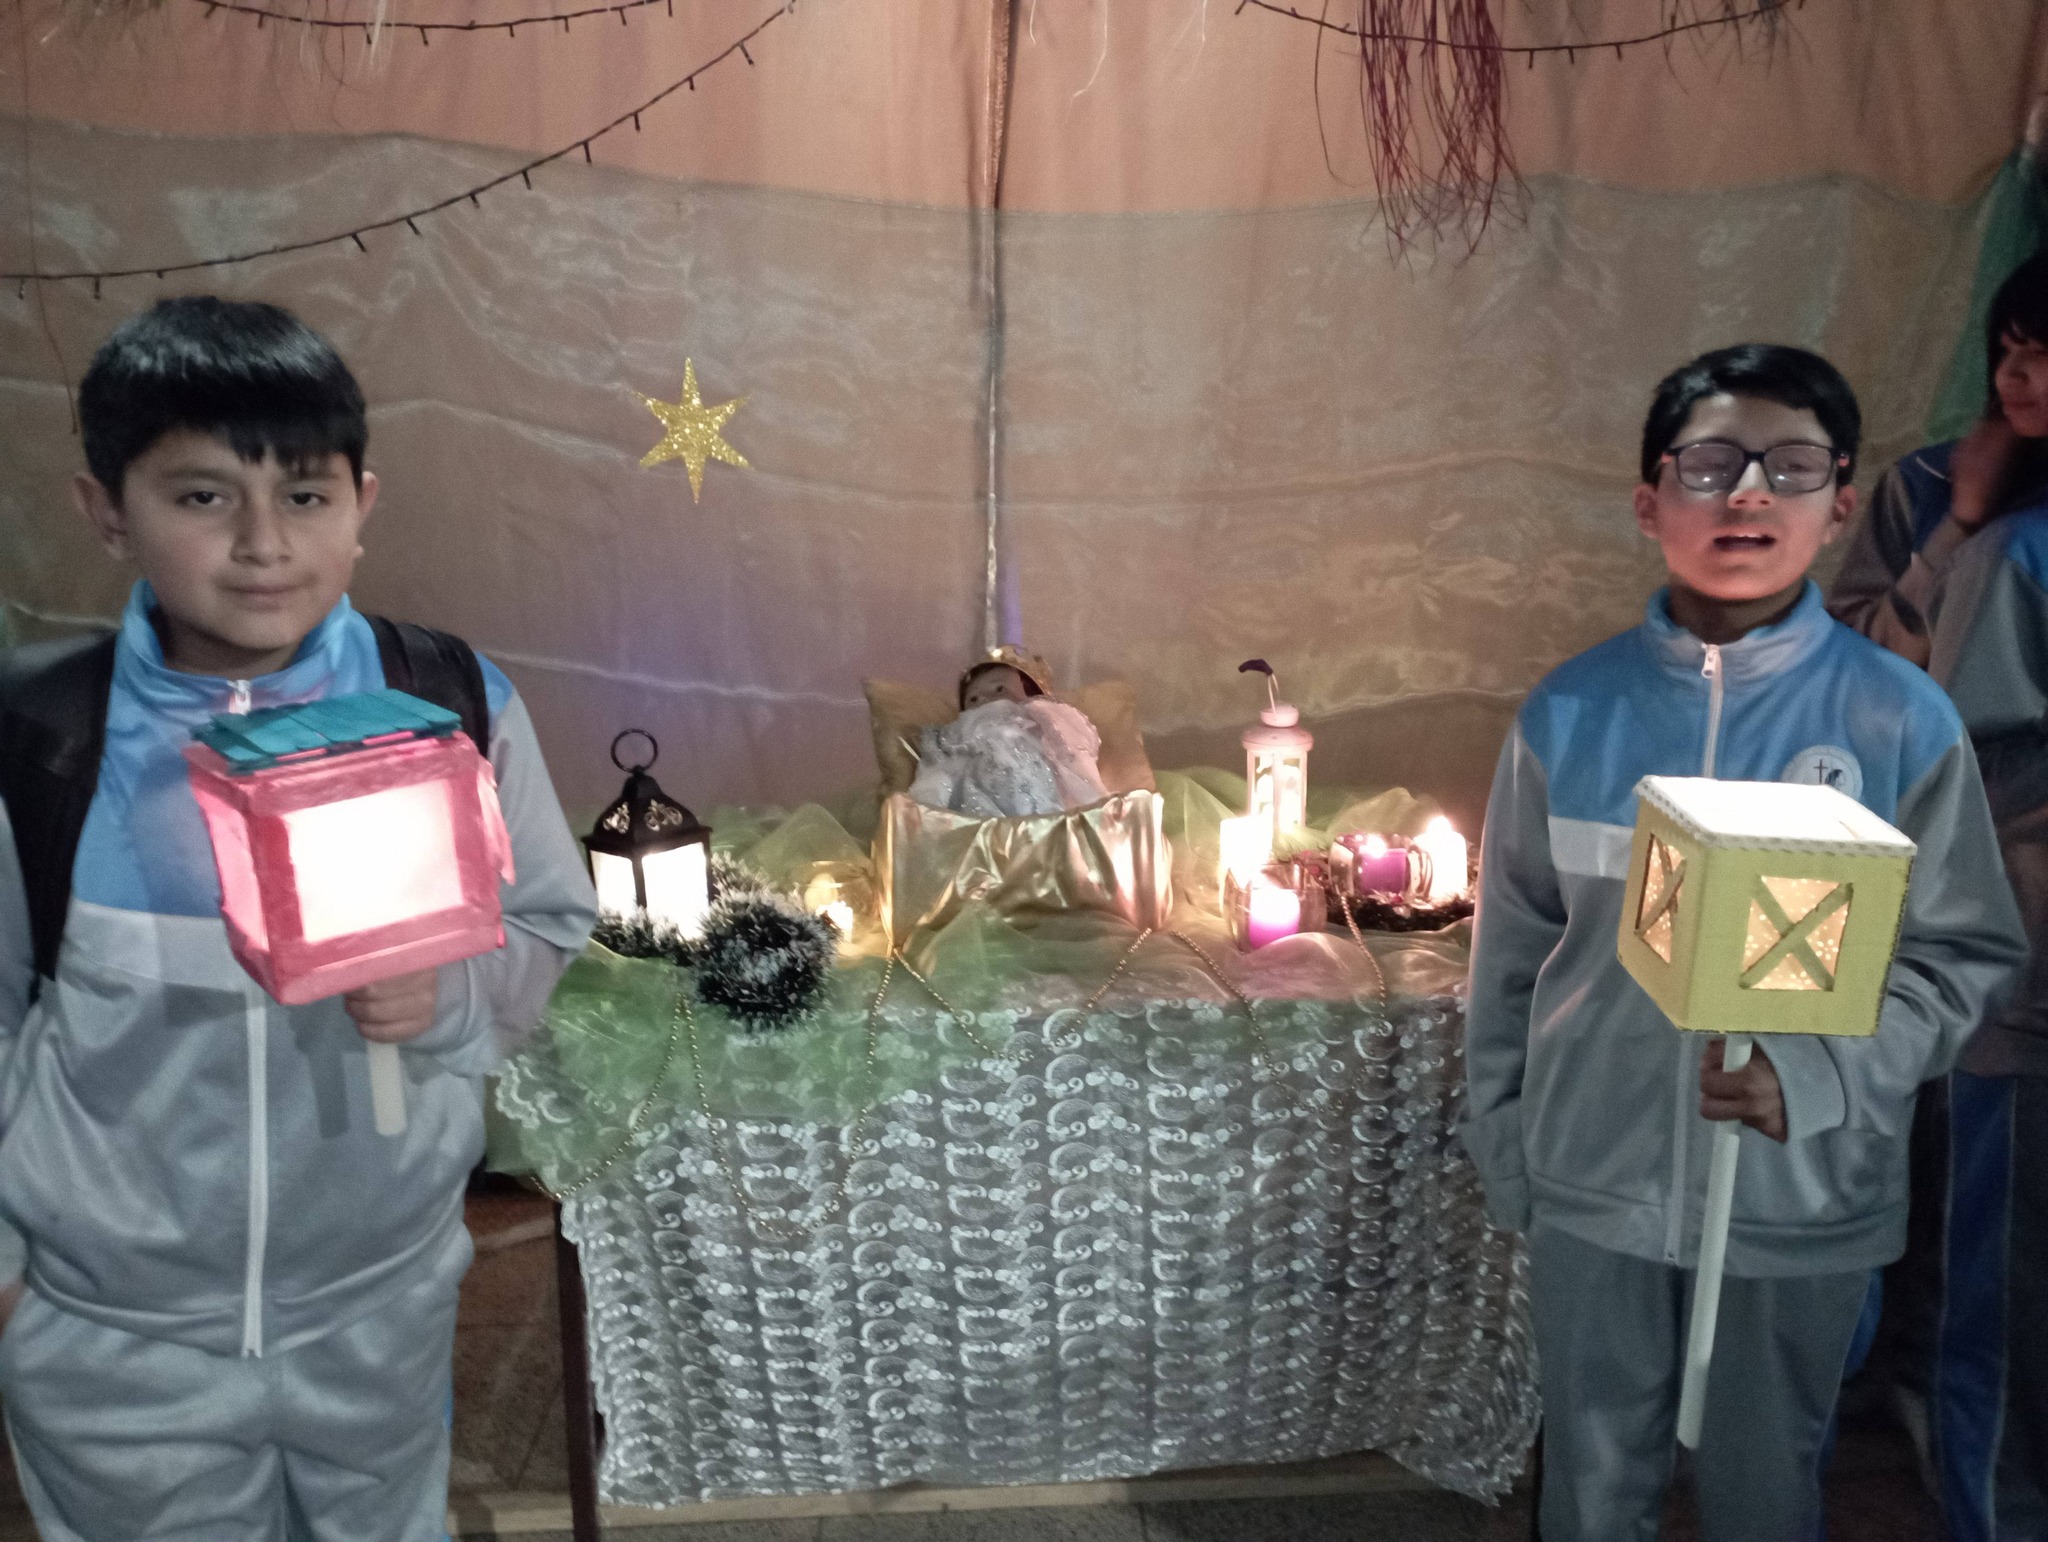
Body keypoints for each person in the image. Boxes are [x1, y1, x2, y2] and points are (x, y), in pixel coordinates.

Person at [0, 296, 597, 1541]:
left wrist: (448, 993)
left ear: (362, 504)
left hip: (379, 1308)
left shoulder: (452, 701)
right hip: (116, 1340)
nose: (264, 544)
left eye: (307, 495)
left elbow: (546, 920)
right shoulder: (43, 740)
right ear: (107, 509)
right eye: (202, 496)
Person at [1462, 343, 2027, 1542]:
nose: (1750, 493)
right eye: (1710, 464)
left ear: (1840, 505)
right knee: (1592, 1482)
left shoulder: (1896, 719)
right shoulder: (1571, 712)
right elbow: (1511, 954)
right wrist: (1513, 1152)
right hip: (1594, 1184)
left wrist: (1812, 1077)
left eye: (1792, 466)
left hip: (1801, 1190)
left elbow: (1958, 958)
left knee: (1764, 1485)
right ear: (1647, 502)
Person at [1828, 247, 2048, 1542]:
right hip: (1962, 900)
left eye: (2044, 353)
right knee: (1958, 1207)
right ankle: (1953, 1462)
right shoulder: (1935, 493)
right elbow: (1858, 679)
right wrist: (1955, 533)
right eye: (2008, 347)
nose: (2019, 375)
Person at [906, 647, 1108, 817]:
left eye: (999, 689)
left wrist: (1098, 805)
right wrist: (924, 809)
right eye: (973, 699)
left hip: (1049, 811)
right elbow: (941, 774)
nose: (984, 700)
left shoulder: (1043, 722)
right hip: (985, 817)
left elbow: (1074, 761)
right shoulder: (962, 737)